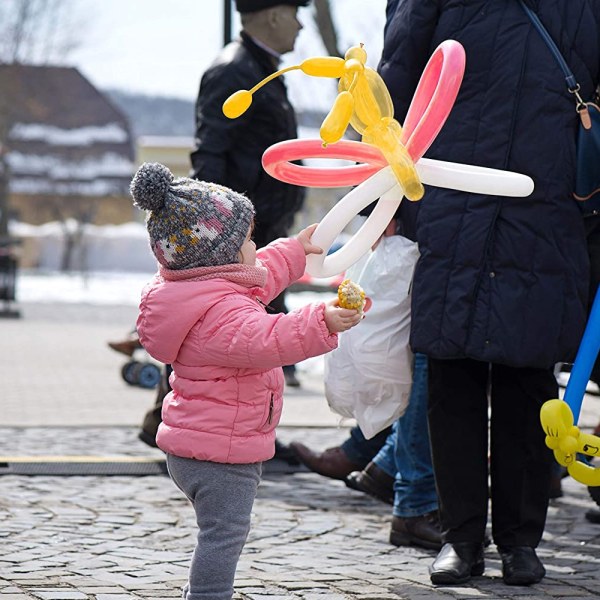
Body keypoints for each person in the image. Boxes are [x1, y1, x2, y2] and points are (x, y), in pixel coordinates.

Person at [380, 0, 600, 587]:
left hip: (549, 207)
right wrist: (391, 200)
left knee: (528, 378)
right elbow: (392, 92)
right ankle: (461, 538)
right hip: (453, 200)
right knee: (452, 373)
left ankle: (521, 541)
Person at [130, 161, 362, 600]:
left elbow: (262, 274)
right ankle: (208, 595)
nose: (256, 248)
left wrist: (298, 249)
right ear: (224, 254)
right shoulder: (223, 313)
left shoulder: (203, 290)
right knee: (224, 534)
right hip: (221, 453)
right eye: (250, 240)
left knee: (218, 530)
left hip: (200, 444)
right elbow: (269, 338)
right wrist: (323, 320)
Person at [190, 0, 309, 387]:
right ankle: (170, 418)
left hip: (261, 225)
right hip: (242, 230)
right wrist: (218, 227)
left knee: (240, 330)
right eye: (295, 14)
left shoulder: (260, 69)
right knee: (217, 320)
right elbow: (210, 151)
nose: (301, 26)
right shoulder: (235, 70)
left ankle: (242, 433)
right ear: (274, 16)